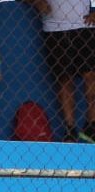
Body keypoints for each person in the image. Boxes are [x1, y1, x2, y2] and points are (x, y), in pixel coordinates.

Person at [23, 0, 95, 143]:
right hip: (55, 29)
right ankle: (70, 129)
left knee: (91, 76)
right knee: (64, 79)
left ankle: (91, 127)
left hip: (85, 26)